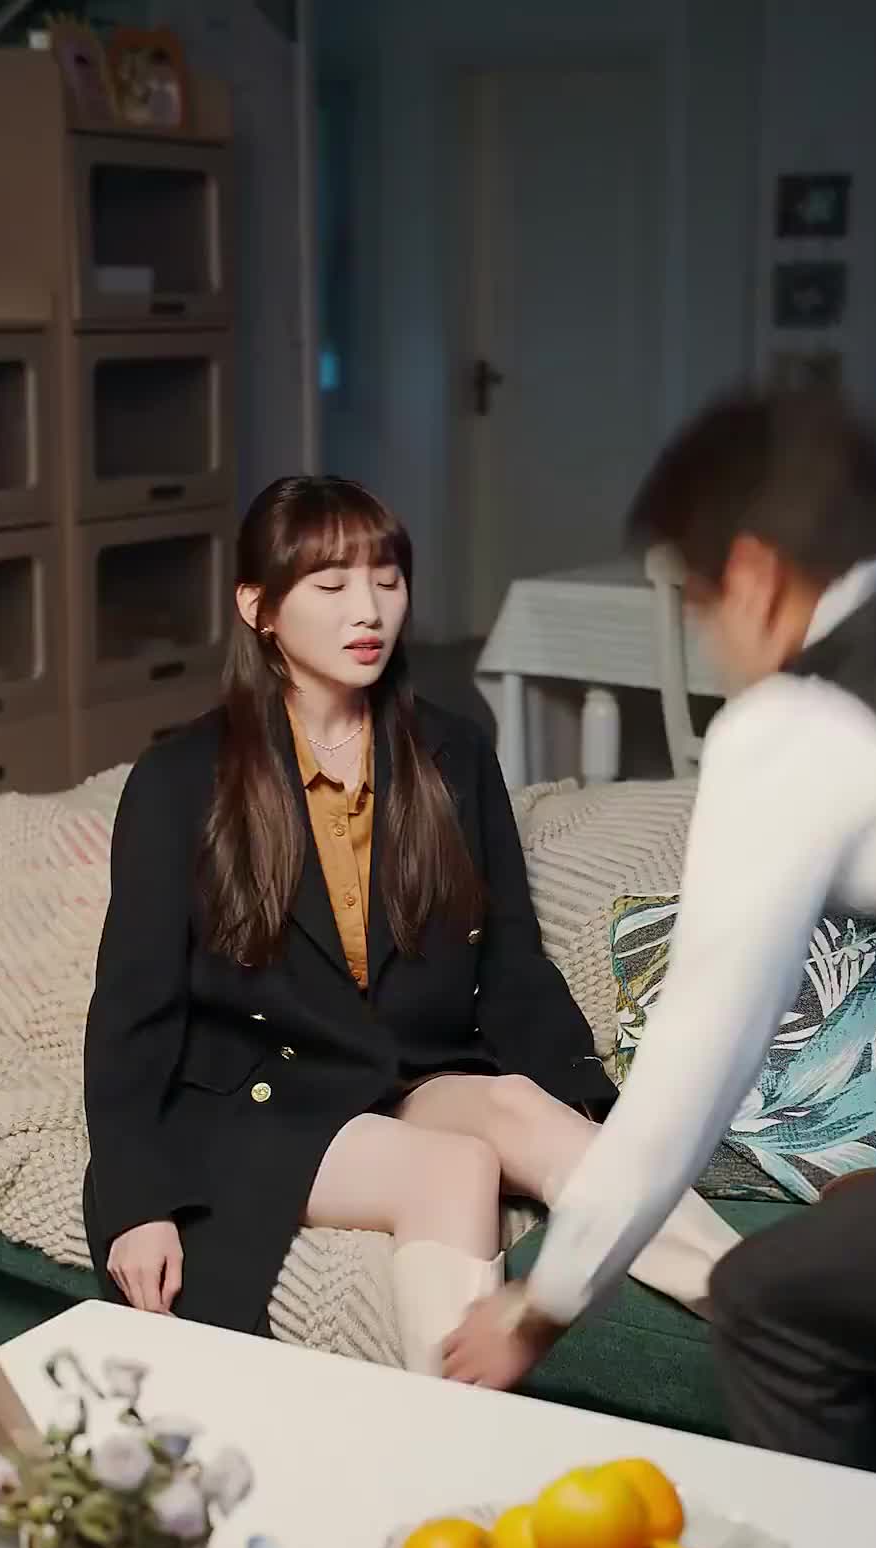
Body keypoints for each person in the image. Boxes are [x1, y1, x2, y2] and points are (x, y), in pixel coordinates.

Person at [443, 384, 876, 1469]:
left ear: (751, 577)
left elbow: (693, 1068)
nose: (710, 644)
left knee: (765, 1302)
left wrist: (542, 1304)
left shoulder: (801, 724)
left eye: (698, 607)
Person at [83, 475, 731, 1368]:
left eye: (387, 581)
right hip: (256, 1100)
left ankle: (768, 1308)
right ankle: (455, 1431)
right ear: (258, 607)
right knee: (454, 1166)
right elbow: (132, 1012)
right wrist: (136, 1202)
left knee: (517, 1106)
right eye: (332, 584)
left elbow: (511, 960)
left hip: (406, 1070)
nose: (370, 610)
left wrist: (579, 1106)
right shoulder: (179, 779)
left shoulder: (452, 749)